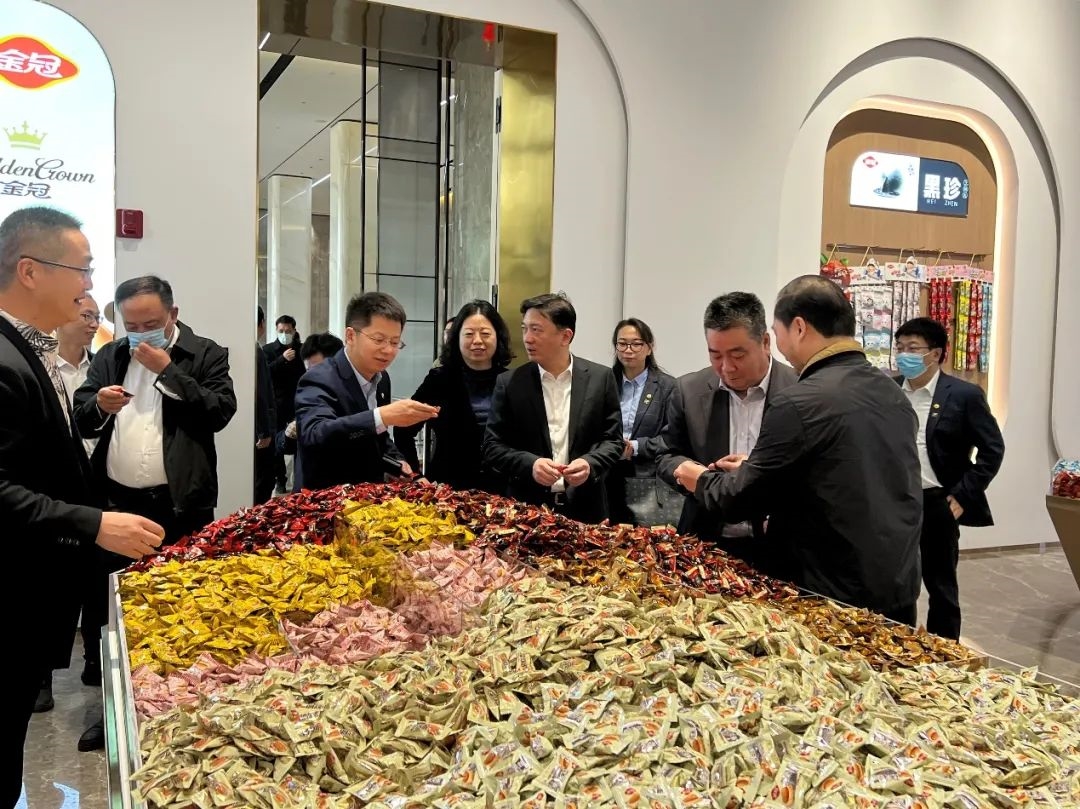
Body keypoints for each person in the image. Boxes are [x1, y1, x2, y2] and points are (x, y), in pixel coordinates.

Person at [0, 206, 163, 805]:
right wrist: (93, 522)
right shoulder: (4, 360)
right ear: (30, 271)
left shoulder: (26, 348)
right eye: (83, 270)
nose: (90, 287)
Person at [676, 275, 922, 624]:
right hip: (897, 584)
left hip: (832, 595)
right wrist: (759, 466)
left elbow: (740, 500)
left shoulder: (800, 401)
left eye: (777, 333)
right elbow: (845, 475)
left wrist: (700, 478)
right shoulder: (891, 393)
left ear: (799, 328)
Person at [73, 274, 236, 750]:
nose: (141, 333)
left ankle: (175, 714)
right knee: (111, 612)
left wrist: (167, 371)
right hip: (116, 504)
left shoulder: (205, 353)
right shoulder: (110, 355)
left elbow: (219, 412)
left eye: (151, 323)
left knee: (179, 608)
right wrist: (99, 405)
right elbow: (82, 415)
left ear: (173, 315)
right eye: (132, 325)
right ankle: (113, 713)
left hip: (180, 505)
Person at [658, 293, 797, 558]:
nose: (727, 368)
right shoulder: (689, 390)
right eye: (715, 356)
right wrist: (687, 472)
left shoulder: (800, 390)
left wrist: (757, 472)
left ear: (765, 342)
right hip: (706, 543)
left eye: (738, 355)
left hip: (781, 545)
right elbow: (666, 453)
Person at [894, 317, 1004, 639]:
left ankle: (944, 656)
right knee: (894, 583)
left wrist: (963, 495)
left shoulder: (964, 395)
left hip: (937, 502)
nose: (904, 355)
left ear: (936, 353)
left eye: (913, 348)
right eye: (900, 348)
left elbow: (992, 449)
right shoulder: (888, 389)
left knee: (941, 587)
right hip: (895, 502)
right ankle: (896, 647)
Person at [483, 293, 623, 522]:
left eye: (536, 330)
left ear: (565, 336)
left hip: (586, 509)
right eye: (524, 329)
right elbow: (492, 446)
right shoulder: (510, 383)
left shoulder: (601, 378)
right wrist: (531, 464)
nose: (527, 338)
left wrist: (590, 463)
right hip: (528, 512)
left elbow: (613, 441)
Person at [32, 293, 102, 714]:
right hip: (53, 491)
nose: (93, 323)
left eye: (97, 316)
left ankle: (95, 659)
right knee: (48, 582)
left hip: (97, 486)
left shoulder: (103, 367)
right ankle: (41, 675)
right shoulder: (39, 367)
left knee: (96, 578)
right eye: (86, 314)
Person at [293, 292, 438, 491]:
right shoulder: (319, 378)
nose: (388, 350)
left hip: (367, 499)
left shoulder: (382, 378)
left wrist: (399, 464)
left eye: (395, 342)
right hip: (325, 498)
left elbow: (376, 436)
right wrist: (382, 416)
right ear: (351, 336)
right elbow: (314, 435)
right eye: (378, 340)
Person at [394, 300, 513, 492]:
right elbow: (403, 429)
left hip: (502, 490)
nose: (477, 340)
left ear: (498, 337)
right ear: (456, 338)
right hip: (447, 489)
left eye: (485, 334)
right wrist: (415, 475)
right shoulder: (440, 379)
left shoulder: (512, 381)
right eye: (469, 334)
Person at [605, 318, 678, 526]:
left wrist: (635, 447)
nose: (628, 350)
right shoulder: (604, 381)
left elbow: (671, 438)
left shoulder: (667, 386)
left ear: (649, 347)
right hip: (606, 475)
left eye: (636, 344)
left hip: (647, 481)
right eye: (622, 344)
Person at [277, 333, 345, 458]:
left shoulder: (356, 392)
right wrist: (288, 435)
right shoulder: (305, 393)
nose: (313, 376)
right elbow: (284, 445)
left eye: (319, 369)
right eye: (309, 371)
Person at [263, 314, 304, 492]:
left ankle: (299, 481)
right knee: (277, 444)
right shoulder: (268, 350)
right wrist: (282, 360)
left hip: (298, 402)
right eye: (281, 331)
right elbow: (265, 373)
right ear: (276, 330)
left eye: (288, 331)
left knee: (300, 441)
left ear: (294, 331)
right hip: (277, 404)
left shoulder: (301, 350)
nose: (284, 334)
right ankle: (280, 479)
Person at [254, 307, 277, 503]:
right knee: (264, 479)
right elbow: (261, 392)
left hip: (255, 427)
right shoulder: (256, 352)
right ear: (262, 324)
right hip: (260, 429)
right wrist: (265, 431)